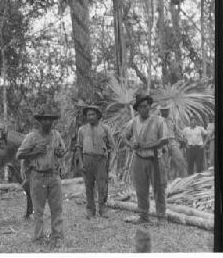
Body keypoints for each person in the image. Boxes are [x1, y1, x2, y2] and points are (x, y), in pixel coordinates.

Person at [16, 103, 66, 249]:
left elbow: (62, 150)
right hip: (37, 177)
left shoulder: (56, 135)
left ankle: (57, 237)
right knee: (38, 210)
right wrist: (34, 152)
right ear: (40, 121)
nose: (48, 122)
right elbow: (19, 154)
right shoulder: (32, 137)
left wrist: (60, 153)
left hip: (54, 176)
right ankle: (38, 238)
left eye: (50, 119)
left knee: (57, 209)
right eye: (45, 119)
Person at [123, 93, 169, 225]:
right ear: (137, 109)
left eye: (147, 106)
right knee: (141, 189)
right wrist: (131, 144)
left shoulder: (159, 121)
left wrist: (148, 145)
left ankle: (161, 216)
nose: (145, 109)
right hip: (139, 158)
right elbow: (124, 137)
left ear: (150, 107)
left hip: (155, 158)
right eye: (142, 107)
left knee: (159, 188)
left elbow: (164, 140)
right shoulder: (133, 122)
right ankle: (143, 216)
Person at [75, 105, 115, 219]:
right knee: (88, 186)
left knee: (102, 186)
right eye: (88, 115)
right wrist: (81, 163)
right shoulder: (82, 130)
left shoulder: (105, 128)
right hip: (87, 158)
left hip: (101, 159)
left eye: (93, 114)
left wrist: (109, 162)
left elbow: (111, 146)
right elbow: (79, 146)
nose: (90, 117)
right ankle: (90, 210)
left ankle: (103, 209)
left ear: (98, 115)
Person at [159, 104, 186, 178]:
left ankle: (183, 179)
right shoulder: (157, 120)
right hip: (162, 143)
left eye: (166, 110)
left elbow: (177, 130)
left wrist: (182, 138)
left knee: (180, 160)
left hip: (172, 142)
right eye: (163, 110)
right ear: (161, 111)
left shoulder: (171, 120)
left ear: (168, 111)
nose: (165, 111)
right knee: (164, 164)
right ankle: (165, 182)